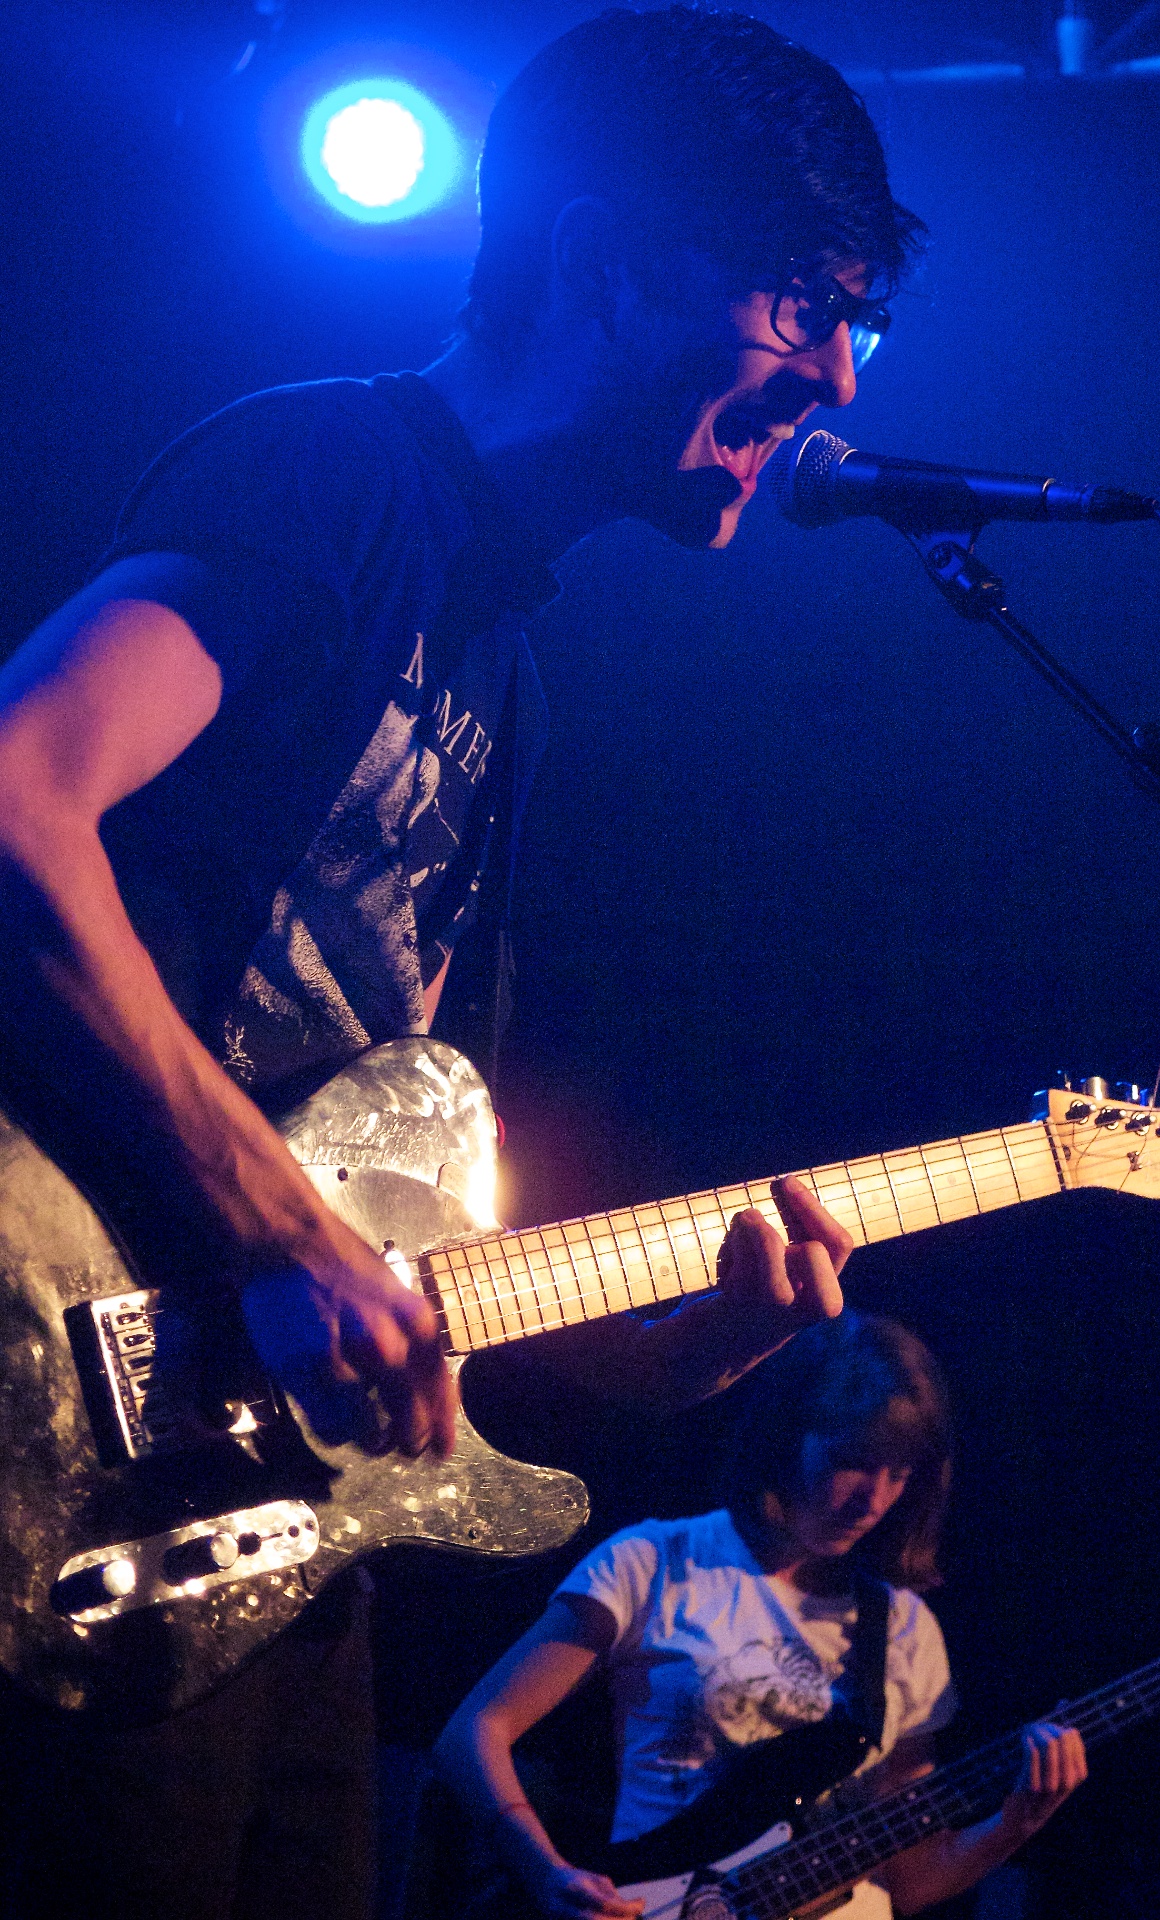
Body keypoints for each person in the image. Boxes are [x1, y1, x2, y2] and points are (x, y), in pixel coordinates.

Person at [0, 10, 929, 1917]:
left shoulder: (501, 652)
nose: (834, 373)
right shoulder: (339, 473)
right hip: (62, 1433)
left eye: (860, 320)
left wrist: (697, 1348)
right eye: (794, 302)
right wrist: (277, 1225)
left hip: (262, 1544)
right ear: (599, 267)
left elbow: (401, 1220)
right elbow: (19, 801)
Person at [434, 1314, 1087, 1919]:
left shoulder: (905, 1629)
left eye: (899, 1473)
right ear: (786, 1438)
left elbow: (907, 1879)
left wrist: (1014, 1824)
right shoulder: (657, 1562)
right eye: (852, 1461)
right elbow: (474, 1730)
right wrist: (544, 1870)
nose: (874, 1499)